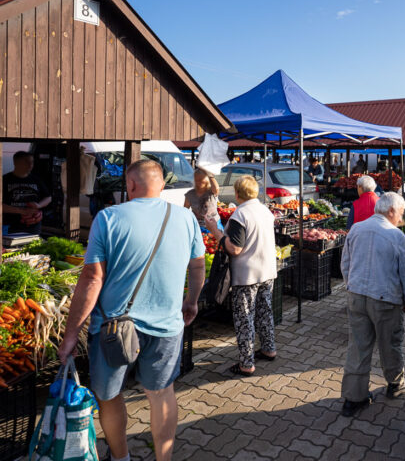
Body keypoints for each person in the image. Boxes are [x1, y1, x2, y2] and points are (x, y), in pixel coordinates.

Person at [57, 160, 206, 461]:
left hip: (113, 328)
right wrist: (191, 302)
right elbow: (198, 265)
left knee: (109, 395)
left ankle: (120, 457)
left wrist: (71, 333)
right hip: (167, 324)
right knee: (162, 393)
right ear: (161, 184)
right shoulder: (186, 219)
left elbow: (92, 278)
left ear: (131, 185)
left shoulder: (107, 218)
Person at [340, 192, 405, 417]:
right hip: (385, 299)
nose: (401, 218)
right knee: (390, 345)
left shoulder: (356, 229)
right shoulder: (396, 236)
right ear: (391, 211)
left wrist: (350, 286)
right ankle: (395, 384)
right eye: (401, 214)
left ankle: (353, 398)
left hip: (357, 295)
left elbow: (345, 263)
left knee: (358, 346)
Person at [206, 175, 278, 375]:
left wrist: (215, 231)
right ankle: (269, 349)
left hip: (247, 274)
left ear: (237, 194)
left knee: (244, 317)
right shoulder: (265, 210)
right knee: (265, 311)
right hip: (267, 270)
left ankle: (246, 363)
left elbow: (234, 249)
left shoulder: (241, 215)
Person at [2, 151, 51, 234]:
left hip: (33, 227)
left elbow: (48, 197)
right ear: (16, 163)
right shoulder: (5, 180)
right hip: (10, 226)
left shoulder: (36, 179)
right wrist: (21, 211)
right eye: (26, 162)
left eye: (32, 162)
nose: (30, 165)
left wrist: (39, 205)